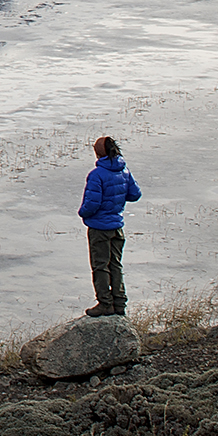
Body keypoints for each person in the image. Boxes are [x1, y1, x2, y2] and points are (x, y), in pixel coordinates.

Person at [79, 135, 142, 317]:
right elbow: (135, 194)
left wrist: (82, 213)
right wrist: (116, 197)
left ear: (99, 153)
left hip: (99, 228)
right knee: (115, 264)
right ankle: (119, 303)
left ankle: (104, 303)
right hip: (117, 227)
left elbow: (91, 205)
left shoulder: (96, 175)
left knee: (100, 266)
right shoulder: (124, 170)